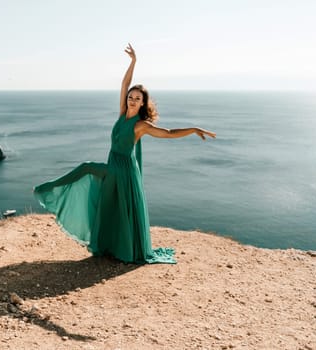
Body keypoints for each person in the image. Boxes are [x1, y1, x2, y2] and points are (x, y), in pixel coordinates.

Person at [34, 44, 216, 264]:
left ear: (142, 104)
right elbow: (124, 83)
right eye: (131, 97)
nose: (132, 100)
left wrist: (194, 129)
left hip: (124, 172)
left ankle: (51, 189)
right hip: (113, 165)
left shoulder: (141, 125)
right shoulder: (122, 113)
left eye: (137, 99)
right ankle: (108, 243)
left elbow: (168, 133)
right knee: (109, 203)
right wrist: (133, 62)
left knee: (87, 168)